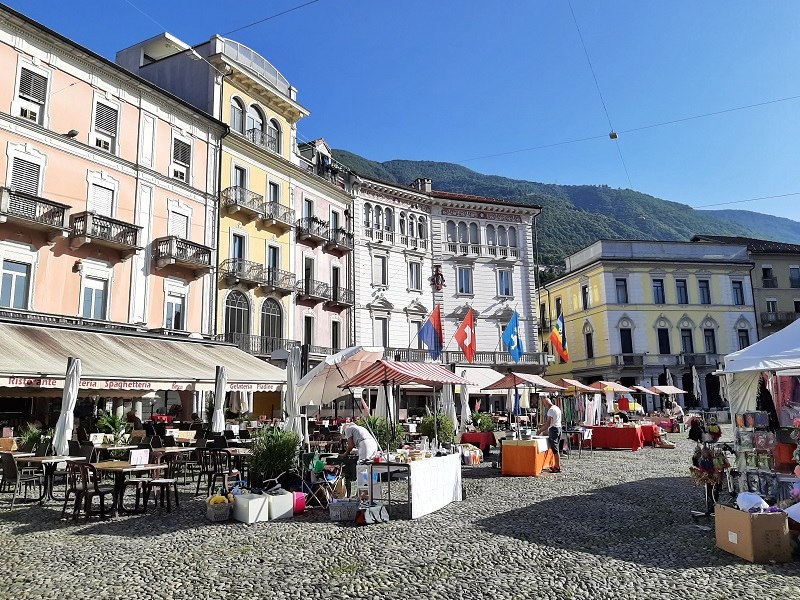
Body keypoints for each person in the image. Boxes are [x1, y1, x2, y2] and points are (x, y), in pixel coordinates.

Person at [536, 397, 562, 473]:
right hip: (558, 428)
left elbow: (548, 424)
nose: (544, 406)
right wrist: (542, 425)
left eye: (544, 404)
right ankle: (556, 465)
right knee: (556, 448)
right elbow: (552, 421)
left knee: (555, 449)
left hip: (553, 430)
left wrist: (540, 430)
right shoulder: (557, 408)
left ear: (546, 403)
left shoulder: (550, 410)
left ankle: (557, 466)